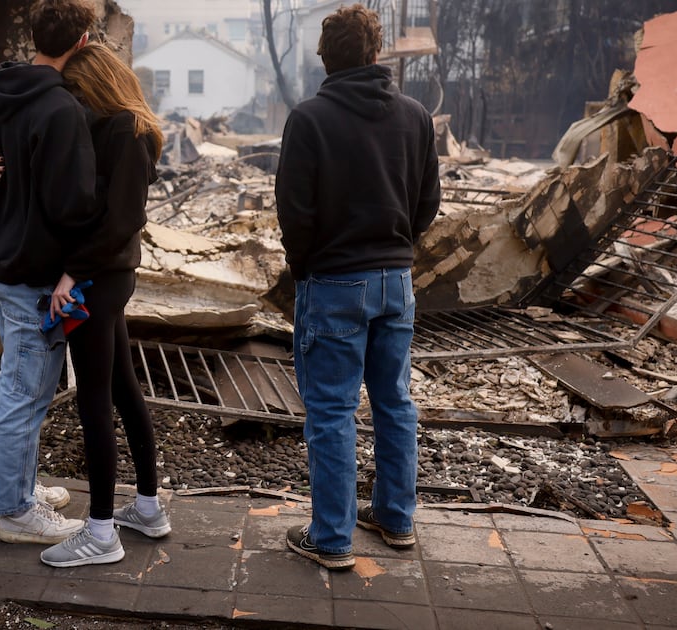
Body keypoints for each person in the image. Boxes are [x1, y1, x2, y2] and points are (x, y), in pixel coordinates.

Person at [274, 4, 441, 570]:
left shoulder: (309, 118)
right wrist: (397, 248)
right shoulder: (415, 116)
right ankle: (395, 520)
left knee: (331, 412)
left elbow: (293, 212)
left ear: (327, 58)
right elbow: (427, 204)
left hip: (333, 283)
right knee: (394, 403)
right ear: (376, 54)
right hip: (396, 283)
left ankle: (331, 538)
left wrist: (306, 269)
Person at [36, 43, 170, 568]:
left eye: (73, 88)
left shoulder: (124, 132)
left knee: (93, 399)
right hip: (110, 276)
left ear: (93, 84)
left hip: (100, 279)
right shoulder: (115, 128)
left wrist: (74, 272)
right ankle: (147, 508)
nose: (69, 98)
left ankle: (99, 532)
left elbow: (120, 220)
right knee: (121, 388)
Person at [0, 0, 99, 545]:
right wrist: (75, 270)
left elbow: (10, 172)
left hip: (6, 259)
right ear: (80, 44)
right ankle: (15, 511)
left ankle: (19, 486)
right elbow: (72, 205)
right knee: (25, 392)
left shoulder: (8, 94)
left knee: (20, 384)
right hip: (35, 272)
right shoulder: (61, 110)